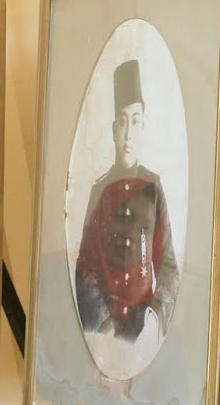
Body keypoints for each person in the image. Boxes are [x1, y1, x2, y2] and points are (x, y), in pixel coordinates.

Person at [74, 59, 180, 346]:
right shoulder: (99, 191)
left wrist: (155, 318)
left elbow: (169, 268)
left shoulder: (153, 188)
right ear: (113, 131)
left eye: (135, 121)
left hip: (144, 331)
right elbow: (84, 269)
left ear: (143, 126)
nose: (129, 133)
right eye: (123, 122)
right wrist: (104, 326)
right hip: (104, 334)